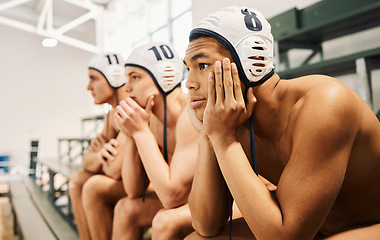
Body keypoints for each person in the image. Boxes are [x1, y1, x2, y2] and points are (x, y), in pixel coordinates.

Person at [184, 6, 380, 240]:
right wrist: (209, 136)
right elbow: (206, 224)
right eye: (188, 69)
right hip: (315, 226)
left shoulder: (325, 102)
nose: (189, 84)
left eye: (202, 65)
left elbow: (285, 238)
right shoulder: (231, 120)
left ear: (252, 61)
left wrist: (225, 141)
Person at [112, 42, 199, 240]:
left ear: (165, 77)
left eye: (135, 77)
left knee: (165, 221)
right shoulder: (148, 117)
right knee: (125, 208)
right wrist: (131, 134)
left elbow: (172, 196)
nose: (126, 87)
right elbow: (133, 190)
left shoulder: (190, 111)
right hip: (189, 200)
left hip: (226, 200)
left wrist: (141, 132)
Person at [68, 53, 128, 240]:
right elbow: (87, 161)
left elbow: (113, 171)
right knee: (78, 179)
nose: (88, 87)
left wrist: (100, 157)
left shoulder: (131, 108)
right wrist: (102, 154)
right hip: (127, 182)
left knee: (93, 186)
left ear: (115, 77)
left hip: (148, 186)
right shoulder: (112, 115)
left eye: (94, 78)